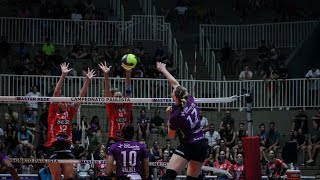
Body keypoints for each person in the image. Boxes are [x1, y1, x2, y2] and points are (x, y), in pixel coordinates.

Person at [157, 62, 207, 180]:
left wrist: (170, 117)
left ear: (175, 97)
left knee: (168, 175)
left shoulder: (176, 114)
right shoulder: (189, 99)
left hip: (189, 145)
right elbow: (175, 83)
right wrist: (163, 70)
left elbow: (171, 135)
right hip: (202, 144)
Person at [46, 62, 95, 180]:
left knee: (69, 178)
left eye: (66, 101)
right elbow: (56, 93)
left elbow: (80, 98)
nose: (66, 102)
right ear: (58, 102)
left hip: (67, 147)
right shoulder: (53, 111)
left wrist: (87, 81)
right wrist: (63, 75)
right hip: (54, 147)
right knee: (56, 178)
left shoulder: (70, 111)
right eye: (63, 101)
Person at [98, 61, 133, 148]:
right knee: (109, 159)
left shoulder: (127, 105)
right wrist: (106, 75)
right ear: (113, 98)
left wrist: (128, 73)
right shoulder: (111, 106)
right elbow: (107, 92)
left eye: (120, 96)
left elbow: (128, 89)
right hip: (113, 138)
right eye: (116, 96)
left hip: (126, 138)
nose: (118, 98)